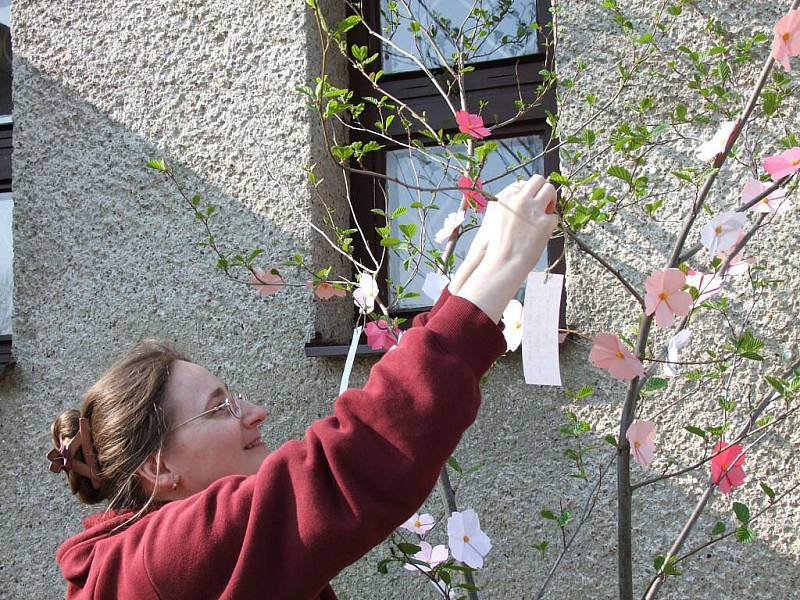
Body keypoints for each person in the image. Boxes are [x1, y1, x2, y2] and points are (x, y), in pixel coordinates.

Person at [49, 175, 558, 599]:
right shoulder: (157, 567)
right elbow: (344, 470)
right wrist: (505, 265)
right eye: (219, 407)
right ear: (158, 469)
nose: (255, 412)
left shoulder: (140, 566)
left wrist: (484, 262)